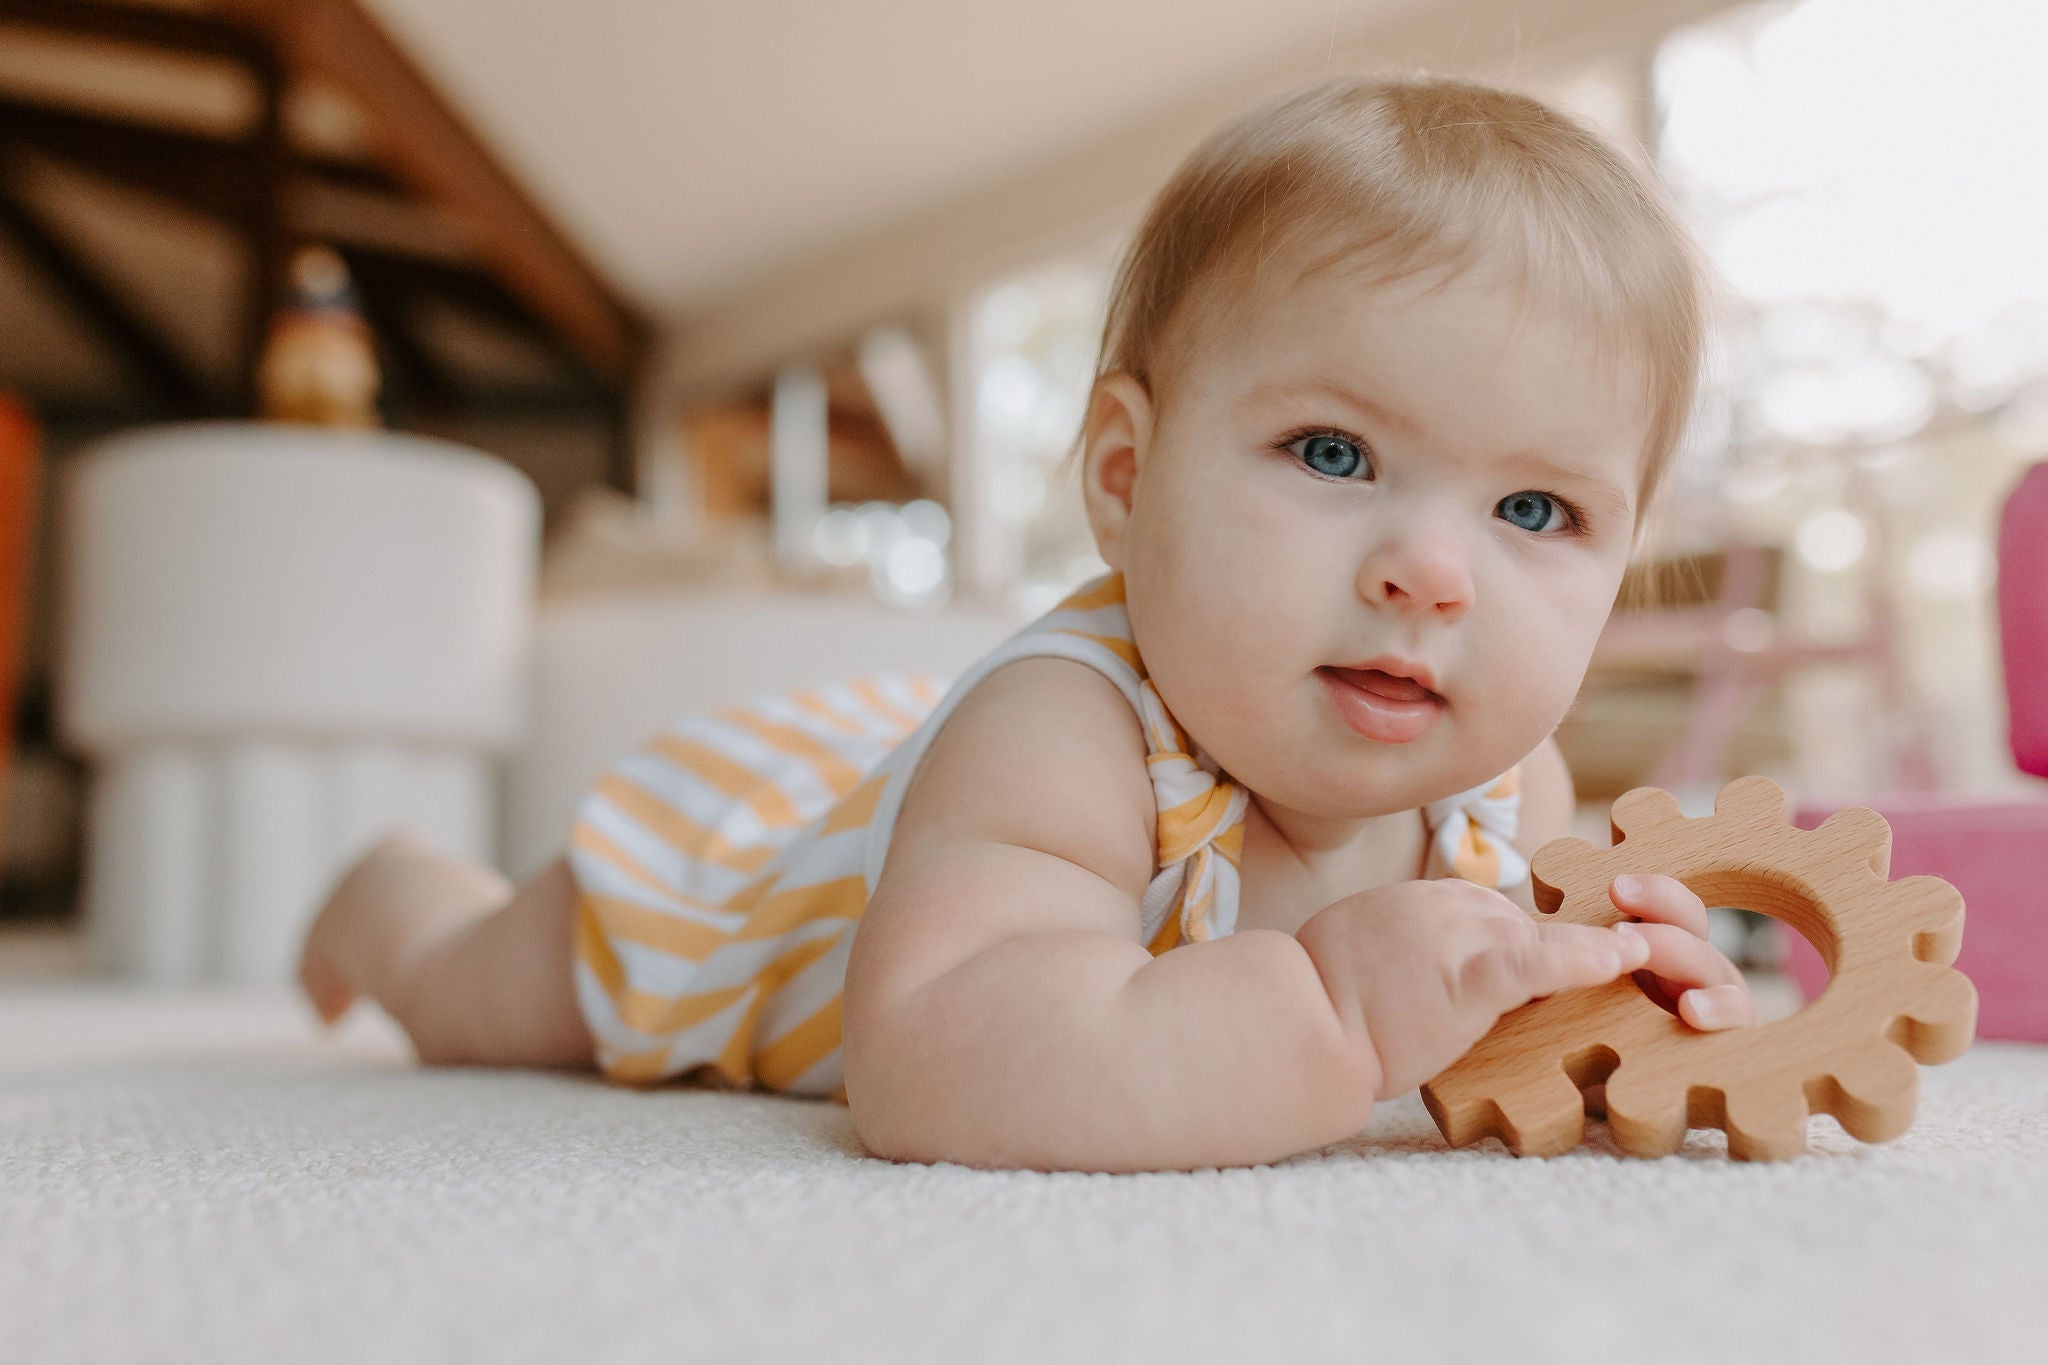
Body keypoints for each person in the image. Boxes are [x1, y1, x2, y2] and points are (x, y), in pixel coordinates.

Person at [299, 73, 1756, 1173]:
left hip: (908, 789)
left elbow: (1492, 1028)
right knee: (478, 1000)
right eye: (1332, 453)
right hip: (740, 884)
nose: (1434, 574)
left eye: (1536, 513)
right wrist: (1331, 1011)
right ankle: (404, 902)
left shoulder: (1518, 792)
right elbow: (934, 1066)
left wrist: (1612, 1008)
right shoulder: (1067, 737)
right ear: (1125, 479)